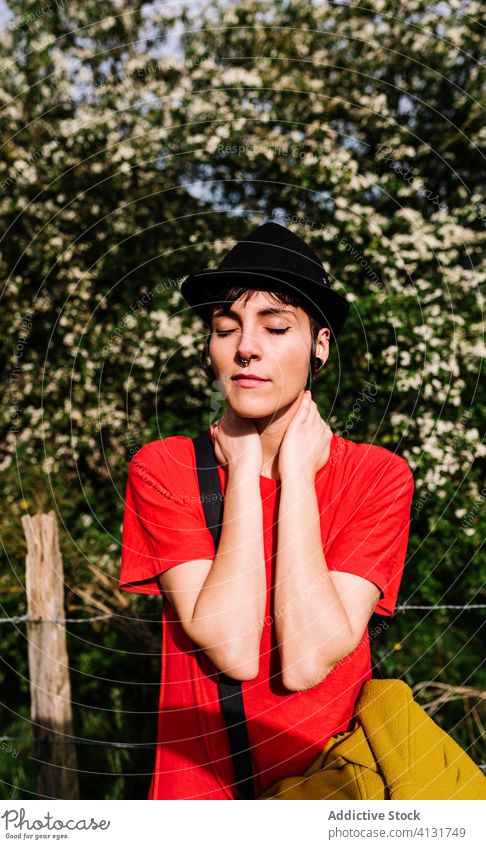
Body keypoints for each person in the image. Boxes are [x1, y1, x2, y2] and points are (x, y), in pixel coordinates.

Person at [119, 221, 415, 800]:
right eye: (226, 329)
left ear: (320, 344)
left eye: (276, 327)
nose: (246, 347)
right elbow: (231, 645)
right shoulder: (164, 468)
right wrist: (248, 474)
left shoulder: (378, 477)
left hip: (326, 804)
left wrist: (297, 475)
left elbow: (305, 658)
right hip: (197, 808)